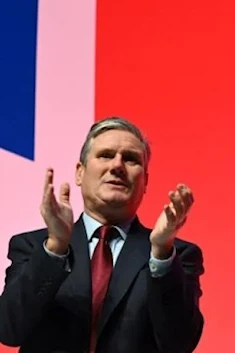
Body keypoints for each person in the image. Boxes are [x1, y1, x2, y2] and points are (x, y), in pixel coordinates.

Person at [0, 117, 204, 353]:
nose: (117, 166)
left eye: (130, 159)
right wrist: (56, 247)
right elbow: (9, 329)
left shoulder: (175, 255)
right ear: (80, 172)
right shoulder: (33, 246)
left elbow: (180, 343)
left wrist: (160, 252)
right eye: (105, 155)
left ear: (145, 181)